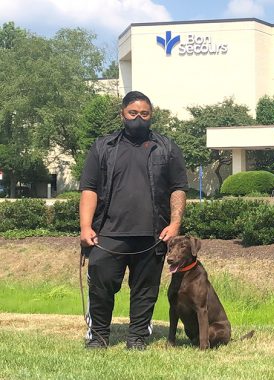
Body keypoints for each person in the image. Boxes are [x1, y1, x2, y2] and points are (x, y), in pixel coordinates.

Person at [79, 91, 188, 350]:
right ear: (122, 114)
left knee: (145, 290)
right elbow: (89, 189)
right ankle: (99, 336)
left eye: (144, 114)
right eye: (133, 113)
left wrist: (174, 225)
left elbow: (179, 188)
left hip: (153, 235)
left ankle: (137, 337)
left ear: (151, 116)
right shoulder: (102, 147)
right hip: (108, 234)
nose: (138, 118)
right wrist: (85, 227)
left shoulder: (167, 147)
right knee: (101, 287)